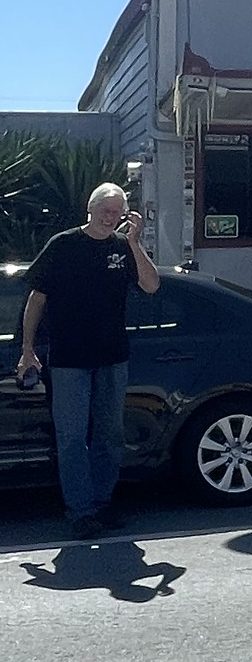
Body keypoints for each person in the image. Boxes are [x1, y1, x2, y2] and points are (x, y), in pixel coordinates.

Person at [17, 183, 160, 540]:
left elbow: (152, 285)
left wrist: (134, 241)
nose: (110, 218)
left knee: (109, 434)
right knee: (72, 437)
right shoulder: (64, 245)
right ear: (91, 209)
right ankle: (79, 510)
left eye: (117, 212)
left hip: (112, 356)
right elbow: (37, 298)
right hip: (68, 359)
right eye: (105, 211)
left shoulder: (122, 247)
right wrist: (27, 348)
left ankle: (101, 503)